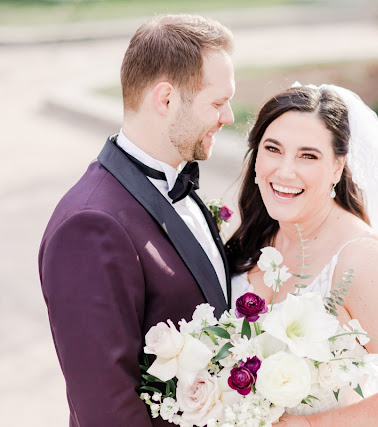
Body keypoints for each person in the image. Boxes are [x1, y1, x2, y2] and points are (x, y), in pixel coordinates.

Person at [226, 85, 378, 426]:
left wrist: (310, 425)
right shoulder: (259, 233)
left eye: (307, 156)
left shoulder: (360, 260)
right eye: (273, 149)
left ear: (338, 167)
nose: (284, 171)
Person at [38, 15, 235, 426]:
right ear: (165, 100)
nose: (229, 117)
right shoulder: (90, 226)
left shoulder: (176, 184)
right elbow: (105, 408)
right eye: (217, 103)